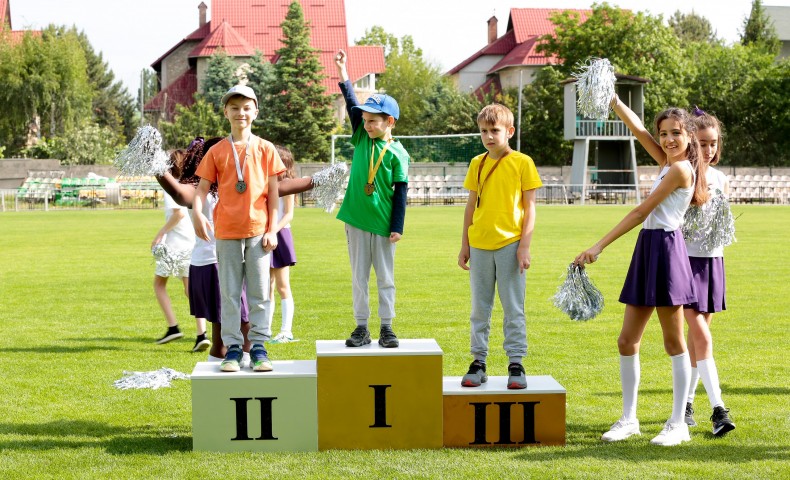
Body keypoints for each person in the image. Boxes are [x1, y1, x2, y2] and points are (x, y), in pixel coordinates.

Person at [575, 96, 709, 447]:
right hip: (648, 248)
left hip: (666, 251)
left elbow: (640, 213)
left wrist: (598, 246)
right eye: (663, 134)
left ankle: (678, 423)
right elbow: (636, 128)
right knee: (626, 341)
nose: (668, 139)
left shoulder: (680, 169)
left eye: (676, 133)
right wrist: (614, 100)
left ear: (689, 135)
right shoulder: (667, 162)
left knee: (673, 341)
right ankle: (629, 419)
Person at [193, 84, 285, 372]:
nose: (240, 113)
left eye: (246, 108)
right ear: (225, 112)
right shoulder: (217, 151)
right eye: (234, 108)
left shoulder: (266, 149)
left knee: (260, 292)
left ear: (255, 111)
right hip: (226, 232)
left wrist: (272, 229)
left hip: (258, 231)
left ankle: (258, 347)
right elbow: (201, 189)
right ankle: (233, 348)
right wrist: (197, 214)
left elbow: (273, 194)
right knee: (230, 293)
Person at [457, 103, 542, 390]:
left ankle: (516, 363)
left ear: (510, 131)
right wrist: (465, 244)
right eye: (483, 131)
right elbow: (471, 206)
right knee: (479, 309)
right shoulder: (476, 163)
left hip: (510, 245)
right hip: (480, 245)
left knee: (513, 308)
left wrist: (524, 246)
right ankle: (478, 362)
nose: (489, 136)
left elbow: (530, 208)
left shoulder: (522, 162)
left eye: (494, 130)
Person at [334, 49, 410, 349]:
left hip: (382, 225)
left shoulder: (398, 153)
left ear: (389, 121)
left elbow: (401, 192)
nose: (366, 125)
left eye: (373, 121)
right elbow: (351, 101)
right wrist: (343, 71)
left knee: (385, 278)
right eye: (364, 120)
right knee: (359, 277)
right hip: (355, 220)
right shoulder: (361, 137)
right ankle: (361, 327)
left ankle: (387, 327)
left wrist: (397, 226)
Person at [682, 109, 735, 436]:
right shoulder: (683, 174)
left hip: (713, 262)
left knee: (697, 341)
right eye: (702, 143)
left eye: (713, 143)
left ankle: (686, 405)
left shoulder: (721, 178)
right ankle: (718, 409)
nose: (709, 149)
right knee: (702, 336)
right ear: (691, 142)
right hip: (685, 263)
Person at [152, 150, 196, 345]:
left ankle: (173, 327)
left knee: (159, 284)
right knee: (189, 290)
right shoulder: (192, 185)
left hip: (175, 245)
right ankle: (202, 332)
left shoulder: (172, 186)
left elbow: (178, 214)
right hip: (191, 242)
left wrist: (160, 233)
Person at [266, 145, 299, 344]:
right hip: (265, 236)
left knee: (282, 286)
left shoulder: (288, 185)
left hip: (280, 235)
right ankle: (266, 330)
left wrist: (273, 230)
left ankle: (286, 330)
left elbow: (288, 214)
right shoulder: (266, 182)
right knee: (266, 287)